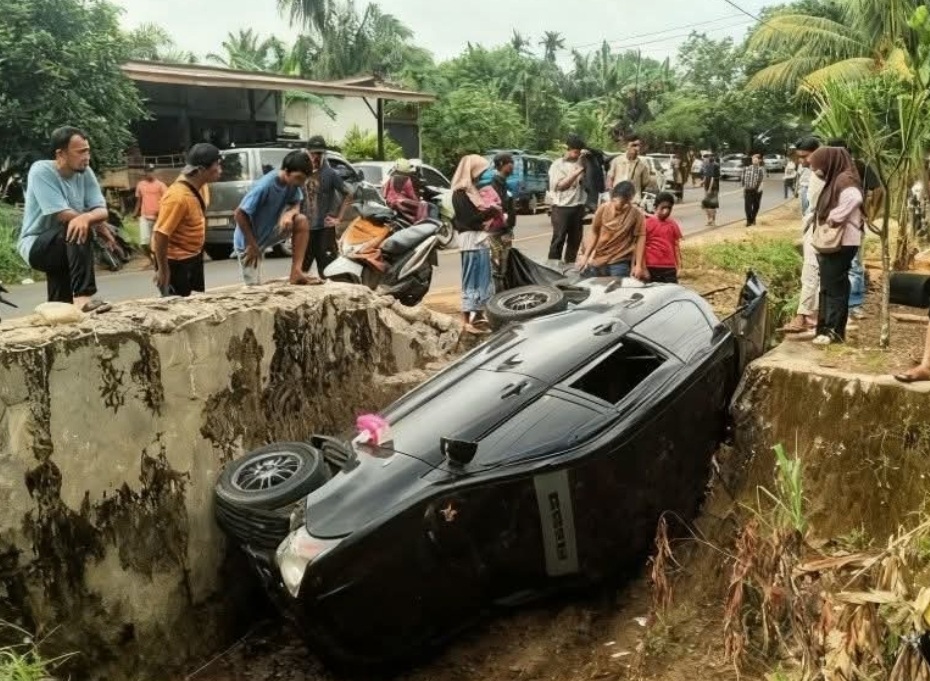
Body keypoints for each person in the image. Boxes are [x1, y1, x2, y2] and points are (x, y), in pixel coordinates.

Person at [17, 126, 116, 311]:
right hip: (36, 245)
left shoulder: (86, 173)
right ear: (61, 154)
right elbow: (63, 215)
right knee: (77, 226)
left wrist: (93, 219)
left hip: (63, 244)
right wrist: (92, 221)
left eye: (88, 151)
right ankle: (83, 298)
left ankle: (61, 311)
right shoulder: (41, 171)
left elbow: (102, 211)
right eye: (80, 152)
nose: (86, 157)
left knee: (60, 307)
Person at [233, 150, 317, 286]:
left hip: (270, 231)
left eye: (304, 180)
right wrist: (252, 245)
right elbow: (239, 214)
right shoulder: (265, 186)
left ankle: (296, 271)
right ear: (286, 171)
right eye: (299, 178)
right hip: (248, 241)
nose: (301, 183)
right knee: (254, 288)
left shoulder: (292, 184)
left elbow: (296, 203)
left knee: (301, 220)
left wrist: (289, 214)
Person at [808, 146, 864, 346]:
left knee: (835, 288)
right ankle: (826, 329)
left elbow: (855, 198)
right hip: (838, 242)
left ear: (829, 162)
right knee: (830, 286)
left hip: (842, 242)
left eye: (817, 166)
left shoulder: (843, 179)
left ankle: (833, 331)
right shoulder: (837, 178)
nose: (816, 170)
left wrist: (833, 218)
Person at [152, 143, 222, 297]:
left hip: (193, 256)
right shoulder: (177, 197)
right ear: (202, 170)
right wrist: (164, 271)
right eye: (217, 165)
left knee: (196, 303)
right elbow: (160, 234)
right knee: (178, 308)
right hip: (175, 261)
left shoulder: (200, 185)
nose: (220, 169)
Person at [451, 154, 498, 334]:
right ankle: (465, 320)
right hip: (470, 240)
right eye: (480, 172)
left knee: (483, 278)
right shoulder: (460, 193)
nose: (481, 176)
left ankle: (478, 315)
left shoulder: (471, 191)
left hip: (478, 240)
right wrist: (490, 213)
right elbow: (468, 220)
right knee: (471, 278)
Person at [782, 137, 823, 334]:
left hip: (822, 230)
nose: (802, 162)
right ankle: (809, 316)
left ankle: (804, 316)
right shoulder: (814, 172)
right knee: (812, 273)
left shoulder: (825, 174)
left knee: (811, 272)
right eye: (799, 158)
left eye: (805, 156)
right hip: (814, 226)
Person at [302, 135, 353, 277]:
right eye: (313, 153)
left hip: (325, 230)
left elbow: (348, 194)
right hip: (305, 230)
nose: (316, 157)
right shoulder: (301, 172)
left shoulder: (330, 174)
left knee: (328, 271)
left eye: (319, 153)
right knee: (301, 270)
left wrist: (338, 218)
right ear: (307, 152)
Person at [576, 181, 645, 279]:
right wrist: (585, 256)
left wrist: (638, 265)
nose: (621, 207)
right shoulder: (603, 209)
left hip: (619, 261)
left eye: (625, 203)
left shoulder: (636, 214)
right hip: (598, 258)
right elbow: (594, 233)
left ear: (630, 200)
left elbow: (640, 239)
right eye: (618, 203)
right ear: (613, 198)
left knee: (616, 292)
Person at [547, 135, 588, 267]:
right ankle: (553, 267)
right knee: (558, 239)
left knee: (575, 240)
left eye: (579, 153)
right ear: (568, 150)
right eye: (575, 152)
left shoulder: (583, 163)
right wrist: (578, 171)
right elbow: (561, 186)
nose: (577, 155)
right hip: (561, 207)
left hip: (578, 207)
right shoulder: (558, 165)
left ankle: (569, 267)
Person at [486, 153, 516, 292]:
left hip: (505, 230)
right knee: (496, 264)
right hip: (496, 231)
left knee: (503, 265)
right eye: (511, 162)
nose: (513, 165)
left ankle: (501, 293)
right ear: (502, 164)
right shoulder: (494, 184)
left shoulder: (504, 184)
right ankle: (496, 294)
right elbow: (498, 207)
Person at [643, 192, 683, 283]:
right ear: (655, 207)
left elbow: (676, 246)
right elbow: (641, 247)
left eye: (669, 208)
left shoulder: (672, 224)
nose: (666, 211)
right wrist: (643, 267)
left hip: (669, 267)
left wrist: (679, 266)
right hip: (652, 266)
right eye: (663, 208)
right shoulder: (647, 223)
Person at [134, 164, 167, 264]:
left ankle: (159, 260)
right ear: (145, 172)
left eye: (152, 171)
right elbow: (139, 200)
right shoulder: (140, 185)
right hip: (144, 216)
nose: (150, 173)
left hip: (158, 218)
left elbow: (166, 201)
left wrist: (162, 212)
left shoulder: (161, 185)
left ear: (155, 172)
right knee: (144, 243)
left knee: (157, 242)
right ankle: (152, 259)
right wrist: (135, 212)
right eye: (148, 171)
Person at [606, 133, 653, 202]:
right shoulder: (616, 161)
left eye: (639, 146)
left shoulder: (643, 164)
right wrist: (611, 195)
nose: (637, 148)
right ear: (626, 146)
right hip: (617, 200)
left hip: (634, 201)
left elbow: (644, 184)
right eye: (634, 145)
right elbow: (610, 178)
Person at [383, 158, 424, 223]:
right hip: (401, 205)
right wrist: (418, 202)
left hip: (390, 204)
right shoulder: (407, 180)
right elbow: (412, 195)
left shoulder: (392, 179)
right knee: (421, 207)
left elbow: (384, 193)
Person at [741, 154, 766, 227]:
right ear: (751, 160)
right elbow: (743, 179)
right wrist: (743, 189)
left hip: (757, 190)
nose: (755, 159)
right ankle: (749, 221)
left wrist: (758, 189)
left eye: (756, 158)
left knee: (756, 205)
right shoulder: (746, 168)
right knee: (747, 206)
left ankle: (753, 218)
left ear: (759, 160)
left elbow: (761, 179)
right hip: (748, 189)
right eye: (753, 158)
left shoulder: (761, 169)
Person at [701, 155, 721, 227]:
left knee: (712, 205)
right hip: (707, 187)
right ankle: (709, 220)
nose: (703, 160)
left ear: (708, 159)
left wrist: (709, 188)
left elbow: (713, 178)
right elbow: (706, 176)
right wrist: (703, 182)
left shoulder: (715, 166)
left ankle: (713, 221)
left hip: (713, 188)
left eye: (704, 159)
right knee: (706, 204)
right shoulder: (706, 166)